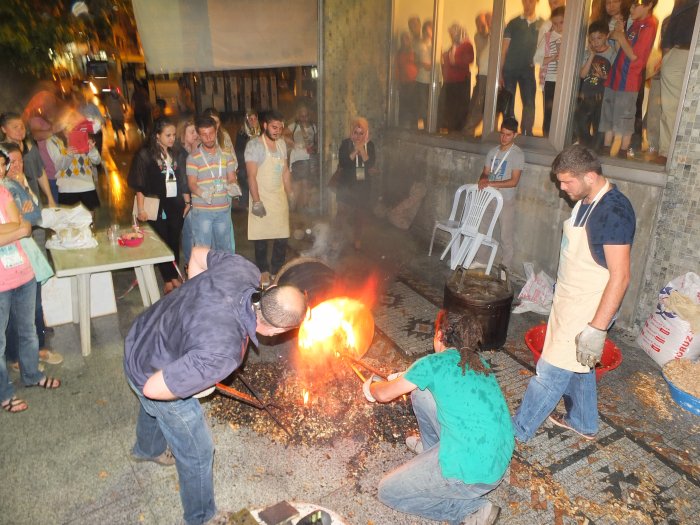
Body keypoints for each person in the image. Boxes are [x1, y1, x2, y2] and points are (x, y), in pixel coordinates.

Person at [123, 246, 308, 525]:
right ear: (277, 331)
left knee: (153, 407)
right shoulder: (223, 352)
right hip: (150, 370)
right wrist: (194, 384)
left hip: (144, 334)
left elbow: (196, 254)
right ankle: (201, 517)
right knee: (198, 452)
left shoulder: (245, 269)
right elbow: (152, 389)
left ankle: (146, 450)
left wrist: (196, 293)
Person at [512, 144, 635, 442]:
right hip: (569, 300)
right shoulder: (585, 200)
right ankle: (583, 421)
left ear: (590, 176)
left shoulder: (614, 212)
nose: (562, 188)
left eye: (567, 182)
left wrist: (596, 329)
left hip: (588, 308)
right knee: (580, 366)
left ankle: (516, 431)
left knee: (550, 373)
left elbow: (620, 277)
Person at [367, 309, 513, 525]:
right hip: (497, 460)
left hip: (470, 474)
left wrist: (371, 385)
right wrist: (406, 376)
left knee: (388, 491)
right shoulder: (477, 361)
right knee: (421, 391)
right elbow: (434, 381)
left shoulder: (432, 363)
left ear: (439, 335)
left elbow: (383, 394)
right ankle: (432, 451)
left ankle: (473, 510)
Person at [1, 178, 61, 414]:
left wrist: (15, 227)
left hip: (23, 272)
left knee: (29, 330)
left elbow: (26, 226)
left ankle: (32, 374)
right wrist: (15, 227)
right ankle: (4, 393)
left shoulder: (4, 192)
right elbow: (18, 226)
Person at [0, 143, 62, 369]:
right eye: (10, 162)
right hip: (12, 257)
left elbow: (34, 215)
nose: (16, 166)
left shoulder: (17, 184)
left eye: (19, 161)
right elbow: (28, 219)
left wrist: (24, 217)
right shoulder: (9, 186)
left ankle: (32, 354)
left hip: (24, 253)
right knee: (17, 313)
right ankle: (19, 359)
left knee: (30, 308)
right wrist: (21, 220)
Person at [129, 117, 188, 294]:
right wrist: (141, 209)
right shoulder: (145, 155)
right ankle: (168, 279)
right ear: (157, 135)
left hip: (176, 203)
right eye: (168, 135)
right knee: (162, 241)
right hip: (157, 204)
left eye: (174, 135)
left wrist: (187, 201)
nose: (172, 139)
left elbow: (184, 178)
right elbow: (140, 184)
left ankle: (174, 276)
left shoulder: (177, 152)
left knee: (173, 239)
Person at [599, 0, 658, 159]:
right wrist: (620, 34)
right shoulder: (636, 24)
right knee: (608, 114)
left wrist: (620, 36)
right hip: (615, 76)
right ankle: (605, 148)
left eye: (635, 4)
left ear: (649, 4)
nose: (631, 8)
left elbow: (634, 57)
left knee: (625, 117)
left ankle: (623, 151)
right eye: (631, 5)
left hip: (628, 80)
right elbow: (622, 52)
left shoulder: (649, 25)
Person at [245, 110, 293, 285]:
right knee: (261, 238)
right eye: (274, 127)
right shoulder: (254, 146)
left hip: (279, 199)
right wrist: (256, 201)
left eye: (280, 128)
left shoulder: (281, 145)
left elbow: (285, 171)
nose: (277, 131)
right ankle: (263, 271)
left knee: (281, 238)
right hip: (262, 198)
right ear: (265, 125)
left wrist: (290, 192)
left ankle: (277, 270)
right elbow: (251, 175)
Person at [187, 116, 239, 254]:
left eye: (211, 133)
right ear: (198, 135)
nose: (208, 138)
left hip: (222, 209)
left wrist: (232, 186)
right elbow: (191, 184)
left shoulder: (226, 154)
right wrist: (203, 193)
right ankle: (205, 275)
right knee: (203, 249)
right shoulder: (193, 158)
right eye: (204, 135)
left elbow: (232, 177)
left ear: (216, 132)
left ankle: (225, 275)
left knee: (225, 248)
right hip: (202, 210)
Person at [477, 117, 524, 270]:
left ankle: (505, 268)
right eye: (502, 134)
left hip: (506, 199)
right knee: (482, 229)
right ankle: (481, 260)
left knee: (506, 235)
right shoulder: (493, 151)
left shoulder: (517, 154)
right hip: (490, 197)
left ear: (515, 135)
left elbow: (514, 181)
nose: (504, 138)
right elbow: (485, 173)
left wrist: (490, 183)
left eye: (508, 135)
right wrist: (483, 180)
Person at [658, 0, 698, 165]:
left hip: (688, 50)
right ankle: (669, 151)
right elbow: (671, 28)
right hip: (680, 50)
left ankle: (678, 153)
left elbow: (671, 30)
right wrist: (666, 55)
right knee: (672, 106)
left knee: (683, 107)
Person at [500, 0, 543, 136]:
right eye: (525, 1)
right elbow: (504, 49)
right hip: (509, 70)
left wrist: (537, 60)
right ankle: (509, 132)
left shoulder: (542, 24)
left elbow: (545, 46)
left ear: (536, 2)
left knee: (529, 102)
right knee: (508, 103)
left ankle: (526, 133)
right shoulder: (513, 23)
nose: (527, 4)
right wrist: (500, 72)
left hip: (527, 70)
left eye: (530, 1)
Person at [573, 21, 617, 150]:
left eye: (599, 37)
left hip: (603, 97)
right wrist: (592, 55)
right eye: (592, 39)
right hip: (587, 96)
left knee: (599, 126)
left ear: (606, 36)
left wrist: (604, 77)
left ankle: (596, 149)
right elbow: (582, 74)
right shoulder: (588, 53)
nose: (596, 41)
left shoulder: (612, 53)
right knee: (580, 121)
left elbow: (616, 76)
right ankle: (587, 146)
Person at [336, 117, 376, 252]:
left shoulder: (370, 145)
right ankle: (337, 238)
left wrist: (362, 149)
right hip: (346, 185)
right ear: (351, 132)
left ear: (365, 133)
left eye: (361, 133)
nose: (358, 136)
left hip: (362, 186)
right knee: (341, 214)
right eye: (355, 132)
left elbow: (370, 164)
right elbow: (343, 163)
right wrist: (355, 150)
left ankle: (357, 239)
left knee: (360, 215)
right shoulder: (345, 144)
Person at [0, 112, 56, 208]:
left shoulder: (30, 148)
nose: (20, 130)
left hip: (35, 202)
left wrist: (50, 198)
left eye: (22, 127)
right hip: (14, 205)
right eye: (15, 127)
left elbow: (40, 173)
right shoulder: (2, 152)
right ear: (3, 129)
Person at [46, 122, 101, 212]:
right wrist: (68, 154)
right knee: (70, 224)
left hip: (87, 186)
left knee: (92, 222)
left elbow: (97, 161)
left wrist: (91, 150)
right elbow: (60, 166)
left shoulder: (84, 135)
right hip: (67, 189)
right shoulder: (52, 141)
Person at [534, 6, 565, 137]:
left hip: (566, 80)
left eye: (561, 22)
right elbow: (536, 59)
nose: (558, 26)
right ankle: (546, 137)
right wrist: (553, 57)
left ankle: (562, 138)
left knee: (563, 112)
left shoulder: (573, 37)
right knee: (549, 111)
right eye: (555, 23)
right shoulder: (548, 37)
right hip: (551, 80)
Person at [173, 119, 198, 269]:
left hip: (192, 197)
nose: (196, 135)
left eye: (196, 132)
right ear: (183, 135)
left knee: (192, 232)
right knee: (190, 232)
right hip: (185, 198)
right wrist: (188, 202)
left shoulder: (191, 150)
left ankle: (192, 263)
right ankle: (190, 264)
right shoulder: (180, 154)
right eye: (192, 132)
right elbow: (183, 178)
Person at [440, 23, 474, 132]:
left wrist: (454, 61)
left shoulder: (466, 45)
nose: (451, 35)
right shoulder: (454, 46)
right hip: (450, 81)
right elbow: (447, 58)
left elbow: (469, 60)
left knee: (459, 108)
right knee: (449, 107)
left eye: (453, 33)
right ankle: (450, 129)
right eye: (450, 33)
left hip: (460, 81)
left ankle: (458, 131)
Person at [285, 103, 318, 212]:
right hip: (298, 159)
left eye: (306, 116)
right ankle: (293, 208)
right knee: (297, 183)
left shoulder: (314, 127)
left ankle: (304, 208)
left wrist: (314, 148)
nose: (304, 118)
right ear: (298, 116)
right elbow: (280, 134)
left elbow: (317, 142)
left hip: (310, 159)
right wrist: (292, 143)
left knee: (307, 184)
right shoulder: (294, 126)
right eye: (302, 116)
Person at [464, 12, 492, 137]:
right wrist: (485, 30)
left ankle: (477, 130)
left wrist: (488, 29)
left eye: (483, 22)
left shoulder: (494, 34)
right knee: (476, 102)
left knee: (484, 103)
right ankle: (469, 129)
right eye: (478, 24)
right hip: (481, 73)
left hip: (490, 75)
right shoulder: (478, 36)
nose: (480, 26)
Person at [234, 109, 261, 209]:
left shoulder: (261, 132)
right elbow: (239, 152)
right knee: (244, 175)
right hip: (245, 163)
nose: (253, 121)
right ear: (246, 120)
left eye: (255, 119)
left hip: (259, 162)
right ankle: (245, 203)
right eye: (250, 119)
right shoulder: (242, 133)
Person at [396, 31, 418, 128]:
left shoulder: (414, 52)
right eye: (403, 39)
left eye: (407, 39)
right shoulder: (399, 53)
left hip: (413, 81)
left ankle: (413, 127)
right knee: (403, 105)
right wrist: (398, 82)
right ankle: (402, 126)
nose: (405, 41)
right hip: (403, 81)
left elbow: (418, 65)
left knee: (413, 105)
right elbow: (397, 68)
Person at [415, 20, 434, 128]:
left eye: (430, 30)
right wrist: (422, 64)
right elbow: (415, 60)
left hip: (433, 79)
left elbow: (439, 59)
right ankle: (421, 127)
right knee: (421, 105)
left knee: (430, 104)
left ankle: (429, 127)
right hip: (421, 78)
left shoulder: (436, 43)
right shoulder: (419, 44)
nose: (427, 33)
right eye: (426, 30)